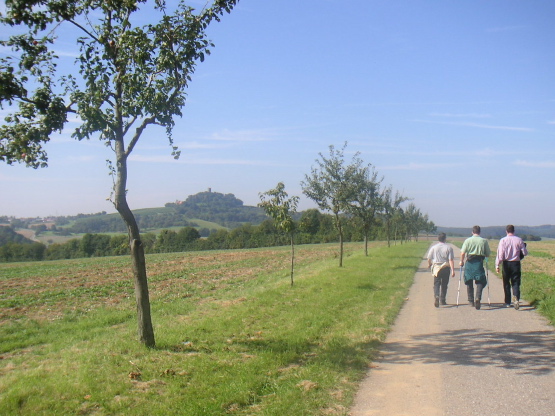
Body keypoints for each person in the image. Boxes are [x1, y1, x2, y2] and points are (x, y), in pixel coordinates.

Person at [495, 225, 528, 309]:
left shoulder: (503, 240)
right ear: (514, 231)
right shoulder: (519, 240)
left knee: (506, 283)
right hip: (516, 263)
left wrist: (497, 265)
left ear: (506, 231)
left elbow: (500, 254)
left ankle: (507, 302)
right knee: (516, 282)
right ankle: (516, 297)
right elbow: (525, 253)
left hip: (506, 263)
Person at [459, 225, 491, 310]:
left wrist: (461, 261)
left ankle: (471, 300)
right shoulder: (484, 241)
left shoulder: (467, 240)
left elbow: (462, 253)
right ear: (479, 232)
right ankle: (478, 297)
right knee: (480, 280)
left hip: (469, 263)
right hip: (479, 263)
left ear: (472, 232)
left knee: (469, 280)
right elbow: (488, 254)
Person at [427, 232, 455, 307]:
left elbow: (429, 258)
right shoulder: (449, 248)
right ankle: (443, 300)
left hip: (437, 268)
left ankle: (436, 295)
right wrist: (452, 270)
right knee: (444, 284)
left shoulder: (434, 247)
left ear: (438, 238)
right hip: (445, 267)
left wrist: (429, 264)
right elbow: (450, 260)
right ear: (445, 239)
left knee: (436, 283)